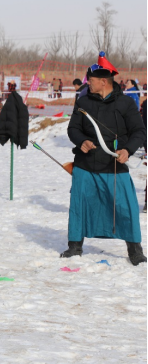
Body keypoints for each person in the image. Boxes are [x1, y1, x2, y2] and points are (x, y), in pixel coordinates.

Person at [63, 53, 147, 266]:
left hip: (114, 166)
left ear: (103, 81)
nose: (87, 83)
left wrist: (127, 149)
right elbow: (73, 128)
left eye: (90, 80)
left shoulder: (126, 104)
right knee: (79, 205)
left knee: (125, 207)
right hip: (85, 164)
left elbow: (139, 131)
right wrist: (81, 140)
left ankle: (135, 250)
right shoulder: (83, 101)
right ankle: (75, 246)